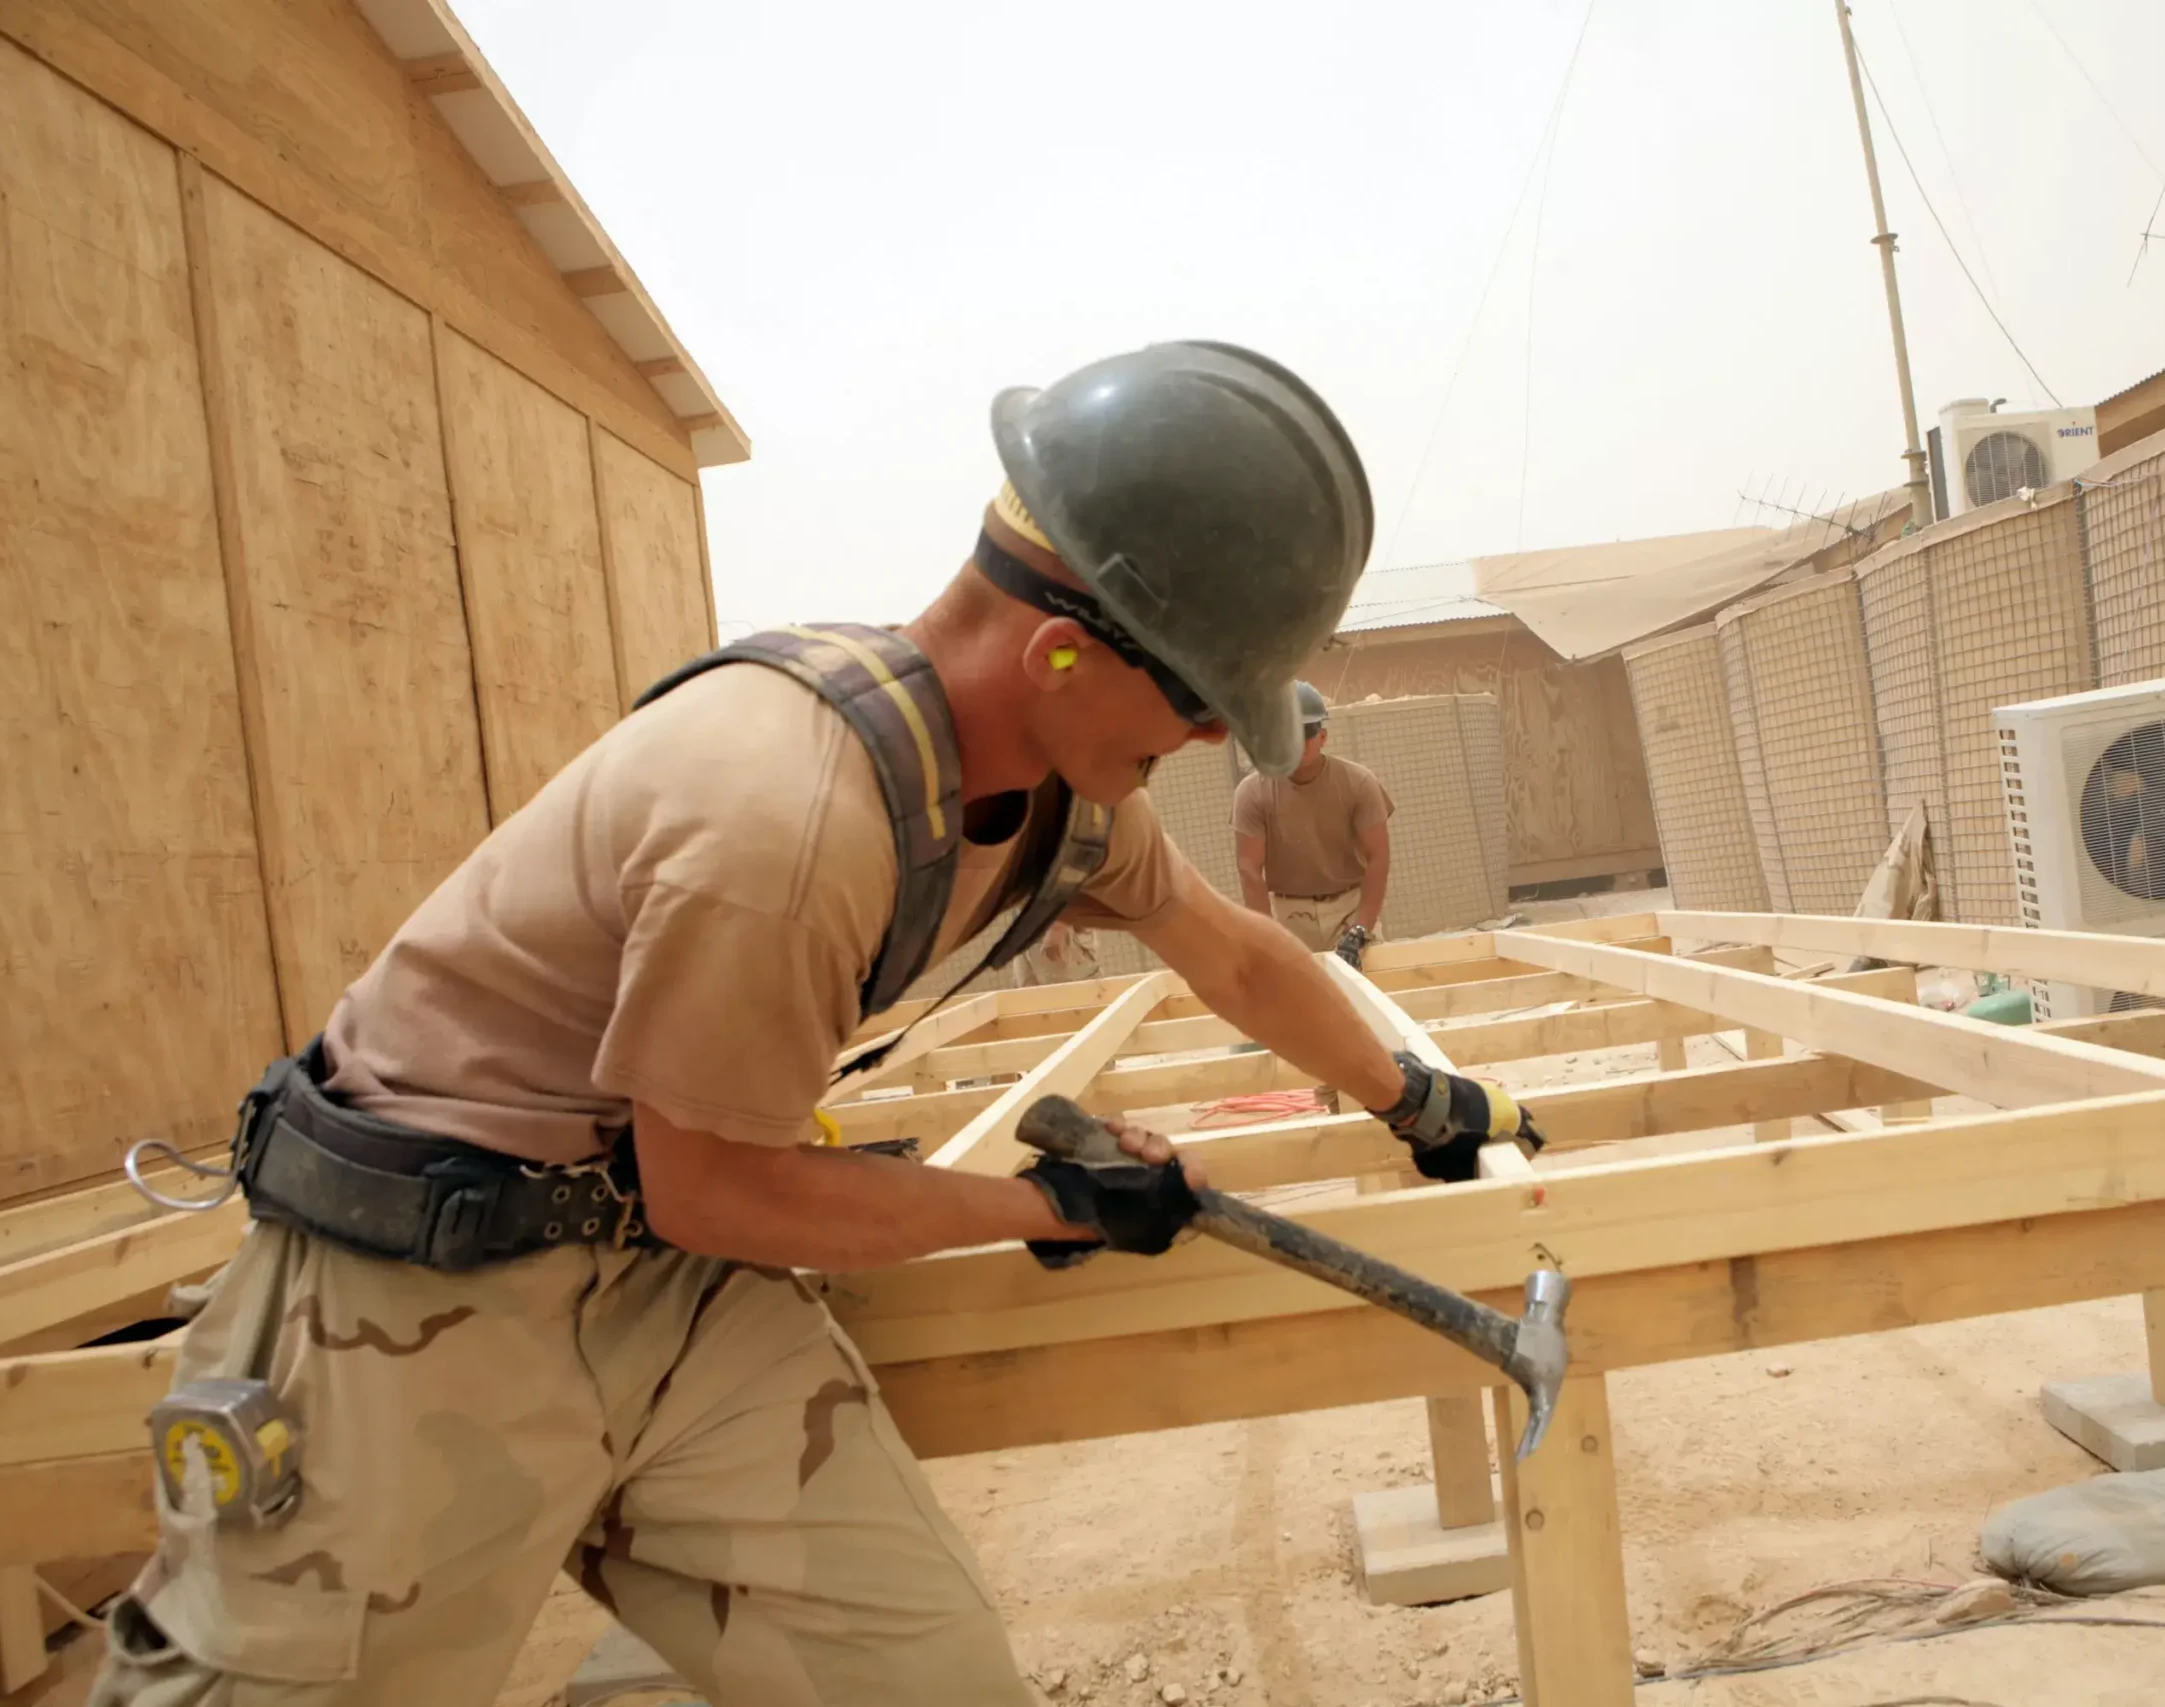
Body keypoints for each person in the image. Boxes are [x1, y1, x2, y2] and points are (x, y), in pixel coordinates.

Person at [92, 341, 1542, 1707]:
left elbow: (1232, 953)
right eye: (1196, 695)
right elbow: (720, 1185)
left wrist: (1412, 1096)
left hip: (664, 1277)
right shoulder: (783, 821)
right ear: (1056, 651)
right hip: (413, 1310)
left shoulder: (1058, 799)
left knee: (929, 1677)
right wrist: (1046, 1200)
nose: (1220, 738)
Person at [1232, 681, 1393, 966]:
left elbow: (1378, 857)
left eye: (1305, 732)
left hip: (1349, 908)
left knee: (1367, 997)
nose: (1296, 742)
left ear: (1323, 737)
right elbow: (1249, 869)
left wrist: (1360, 929)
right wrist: (1269, 938)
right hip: (1290, 914)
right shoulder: (1253, 792)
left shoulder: (1358, 783)